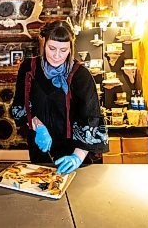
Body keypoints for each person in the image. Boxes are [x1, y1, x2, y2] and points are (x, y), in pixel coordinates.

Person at [11, 20, 109, 174]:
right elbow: (19, 106)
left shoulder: (80, 75)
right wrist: (37, 125)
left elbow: (91, 117)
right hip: (41, 149)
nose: (57, 56)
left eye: (63, 50)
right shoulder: (29, 68)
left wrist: (77, 157)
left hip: (74, 152)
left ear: (71, 47)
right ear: (43, 43)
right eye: (52, 48)